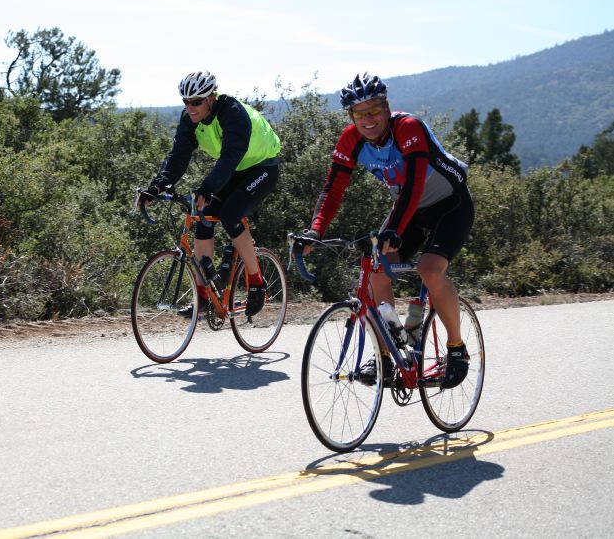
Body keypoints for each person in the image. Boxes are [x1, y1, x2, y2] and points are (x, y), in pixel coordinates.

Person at [305, 72, 474, 388]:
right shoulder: (350, 140)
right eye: (359, 113)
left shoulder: (408, 128)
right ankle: (388, 356)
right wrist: (315, 230)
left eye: (373, 111)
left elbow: (413, 184)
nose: (367, 119)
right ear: (350, 116)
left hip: (450, 204)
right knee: (376, 272)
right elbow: (333, 188)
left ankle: (456, 349)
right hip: (408, 209)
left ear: (386, 109)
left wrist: (393, 228)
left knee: (430, 270)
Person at [137, 70, 281, 317]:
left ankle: (256, 282)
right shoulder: (189, 120)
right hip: (235, 169)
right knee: (202, 215)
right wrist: (156, 187)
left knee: (230, 214)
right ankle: (203, 297)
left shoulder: (232, 113)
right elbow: (178, 158)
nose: (190, 107)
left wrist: (207, 188)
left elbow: (229, 158)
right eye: (185, 102)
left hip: (262, 166)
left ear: (211, 98)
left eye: (195, 102)